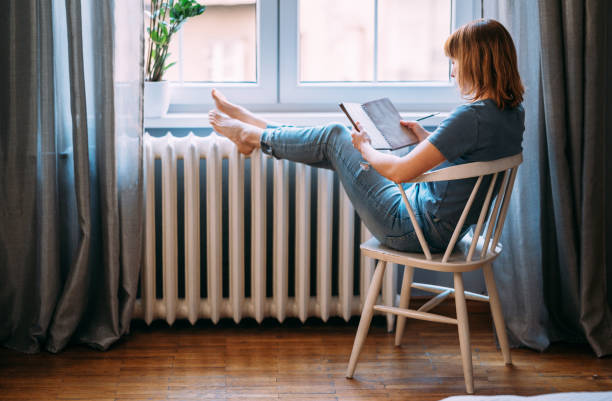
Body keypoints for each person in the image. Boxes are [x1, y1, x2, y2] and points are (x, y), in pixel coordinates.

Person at [208, 19, 525, 253]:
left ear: (475, 64)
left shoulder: (470, 117)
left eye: (455, 62)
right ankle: (258, 131)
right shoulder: (510, 114)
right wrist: (424, 137)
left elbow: (401, 173)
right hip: (441, 226)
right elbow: (474, 157)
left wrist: (366, 148)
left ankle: (254, 135)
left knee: (336, 136)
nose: (453, 72)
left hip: (415, 230)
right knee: (333, 145)